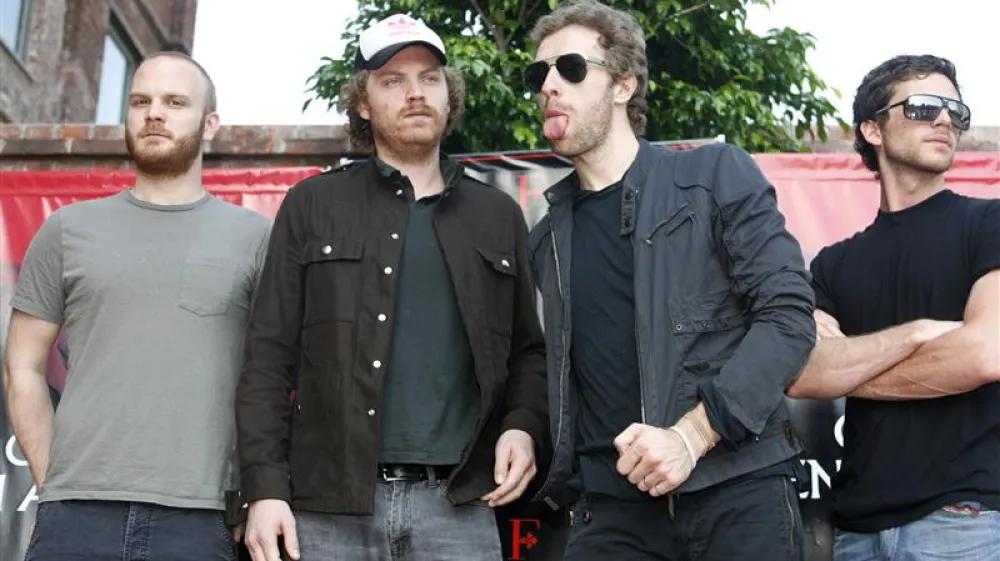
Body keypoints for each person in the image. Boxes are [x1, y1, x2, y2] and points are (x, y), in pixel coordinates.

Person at [236, 13, 548, 561]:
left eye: (430, 79)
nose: (415, 94)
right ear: (362, 102)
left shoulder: (497, 216)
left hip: (459, 506)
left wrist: (522, 427)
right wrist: (263, 489)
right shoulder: (312, 206)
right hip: (327, 510)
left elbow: (529, 353)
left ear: (448, 96)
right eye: (392, 81)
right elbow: (267, 359)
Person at [523, 2, 816, 559]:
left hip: (733, 494)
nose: (549, 86)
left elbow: (787, 316)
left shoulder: (712, 177)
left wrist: (691, 435)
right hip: (609, 515)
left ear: (624, 85)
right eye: (539, 74)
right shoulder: (548, 239)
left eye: (571, 68)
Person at [2, 51, 271, 561]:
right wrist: (53, 480)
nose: (154, 113)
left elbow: (279, 379)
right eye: (141, 101)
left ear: (209, 124)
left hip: (202, 517)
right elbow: (23, 367)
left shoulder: (257, 237)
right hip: (75, 517)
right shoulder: (66, 230)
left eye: (175, 102)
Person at [786, 54, 999, 560]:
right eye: (925, 106)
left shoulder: (990, 224)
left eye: (956, 110)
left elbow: (983, 354)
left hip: (962, 521)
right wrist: (921, 333)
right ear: (872, 130)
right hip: (856, 530)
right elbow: (804, 374)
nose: (946, 119)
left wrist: (851, 370)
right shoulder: (832, 265)